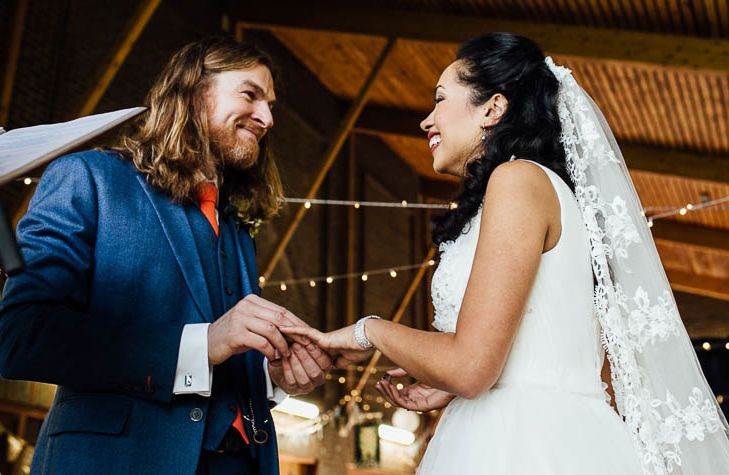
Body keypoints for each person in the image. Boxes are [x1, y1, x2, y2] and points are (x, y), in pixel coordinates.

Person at [284, 33, 729, 474]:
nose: (427, 120)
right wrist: (449, 381)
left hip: (526, 443)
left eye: (440, 99)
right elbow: (532, 343)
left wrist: (370, 331)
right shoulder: (539, 190)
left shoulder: (517, 181)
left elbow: (471, 367)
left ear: (493, 109)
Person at [0, 37, 332, 475]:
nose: (268, 117)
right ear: (193, 92)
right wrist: (201, 344)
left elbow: (226, 359)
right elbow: (22, 335)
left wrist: (278, 378)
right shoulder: (88, 179)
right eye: (250, 94)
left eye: (270, 104)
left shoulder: (235, 225)